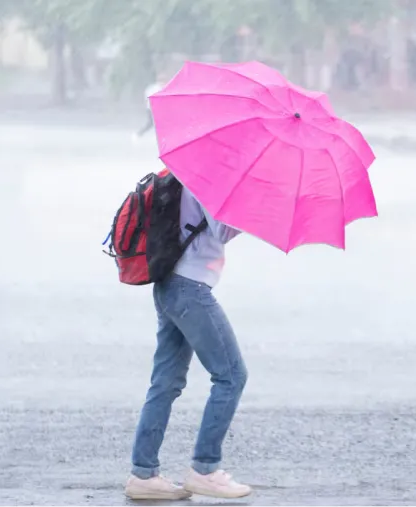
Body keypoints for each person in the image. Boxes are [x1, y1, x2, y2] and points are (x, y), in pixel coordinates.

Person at [124, 186, 251, 501]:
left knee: (165, 383)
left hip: (170, 283)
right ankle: (205, 469)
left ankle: (143, 473)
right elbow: (221, 230)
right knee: (232, 376)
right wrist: (253, 207)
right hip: (189, 288)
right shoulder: (209, 177)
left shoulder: (187, 171)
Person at [132, 73, 165, 141]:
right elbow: (148, 98)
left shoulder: (161, 88)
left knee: (159, 123)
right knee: (151, 123)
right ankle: (139, 134)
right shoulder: (155, 88)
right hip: (152, 108)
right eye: (163, 80)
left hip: (156, 108)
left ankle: (158, 136)